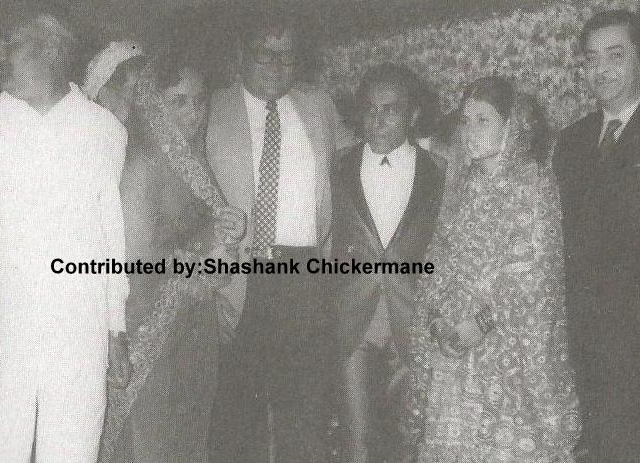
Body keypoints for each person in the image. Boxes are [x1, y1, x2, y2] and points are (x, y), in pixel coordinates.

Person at [0, 6, 130, 462]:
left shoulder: (103, 129)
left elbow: (110, 235)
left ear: (50, 51)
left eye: (10, 43)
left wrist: (115, 329)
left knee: (73, 452)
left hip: (78, 329)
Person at [84, 42, 246, 463]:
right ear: (152, 104)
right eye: (178, 102)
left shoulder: (193, 163)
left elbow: (208, 251)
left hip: (193, 325)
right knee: (150, 439)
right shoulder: (142, 166)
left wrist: (225, 237)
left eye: (198, 101)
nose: (192, 112)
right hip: (150, 329)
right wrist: (198, 258)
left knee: (188, 435)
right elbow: (136, 262)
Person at [206, 8, 355, 462]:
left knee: (304, 410)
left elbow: (360, 158)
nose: (276, 66)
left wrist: (429, 147)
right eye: (264, 55)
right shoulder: (213, 107)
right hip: (240, 277)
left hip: (305, 272)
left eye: (287, 56)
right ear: (241, 57)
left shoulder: (318, 106)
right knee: (237, 414)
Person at [409, 77, 581, 462]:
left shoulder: (534, 184)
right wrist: (438, 318)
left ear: (512, 125)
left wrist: (481, 324)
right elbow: (439, 258)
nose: (470, 131)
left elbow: (535, 277)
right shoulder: (461, 185)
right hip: (453, 347)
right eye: (466, 120)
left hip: (507, 353)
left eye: (483, 120)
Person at [553, 10, 640, 462]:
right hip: (579, 331)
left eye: (615, 56)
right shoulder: (572, 140)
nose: (600, 69)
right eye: (591, 58)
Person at [331, 63, 446, 462]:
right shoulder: (336, 166)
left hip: (413, 319)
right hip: (352, 319)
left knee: (410, 444)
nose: (377, 120)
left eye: (391, 110)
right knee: (356, 440)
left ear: (412, 115)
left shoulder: (440, 170)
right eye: (370, 109)